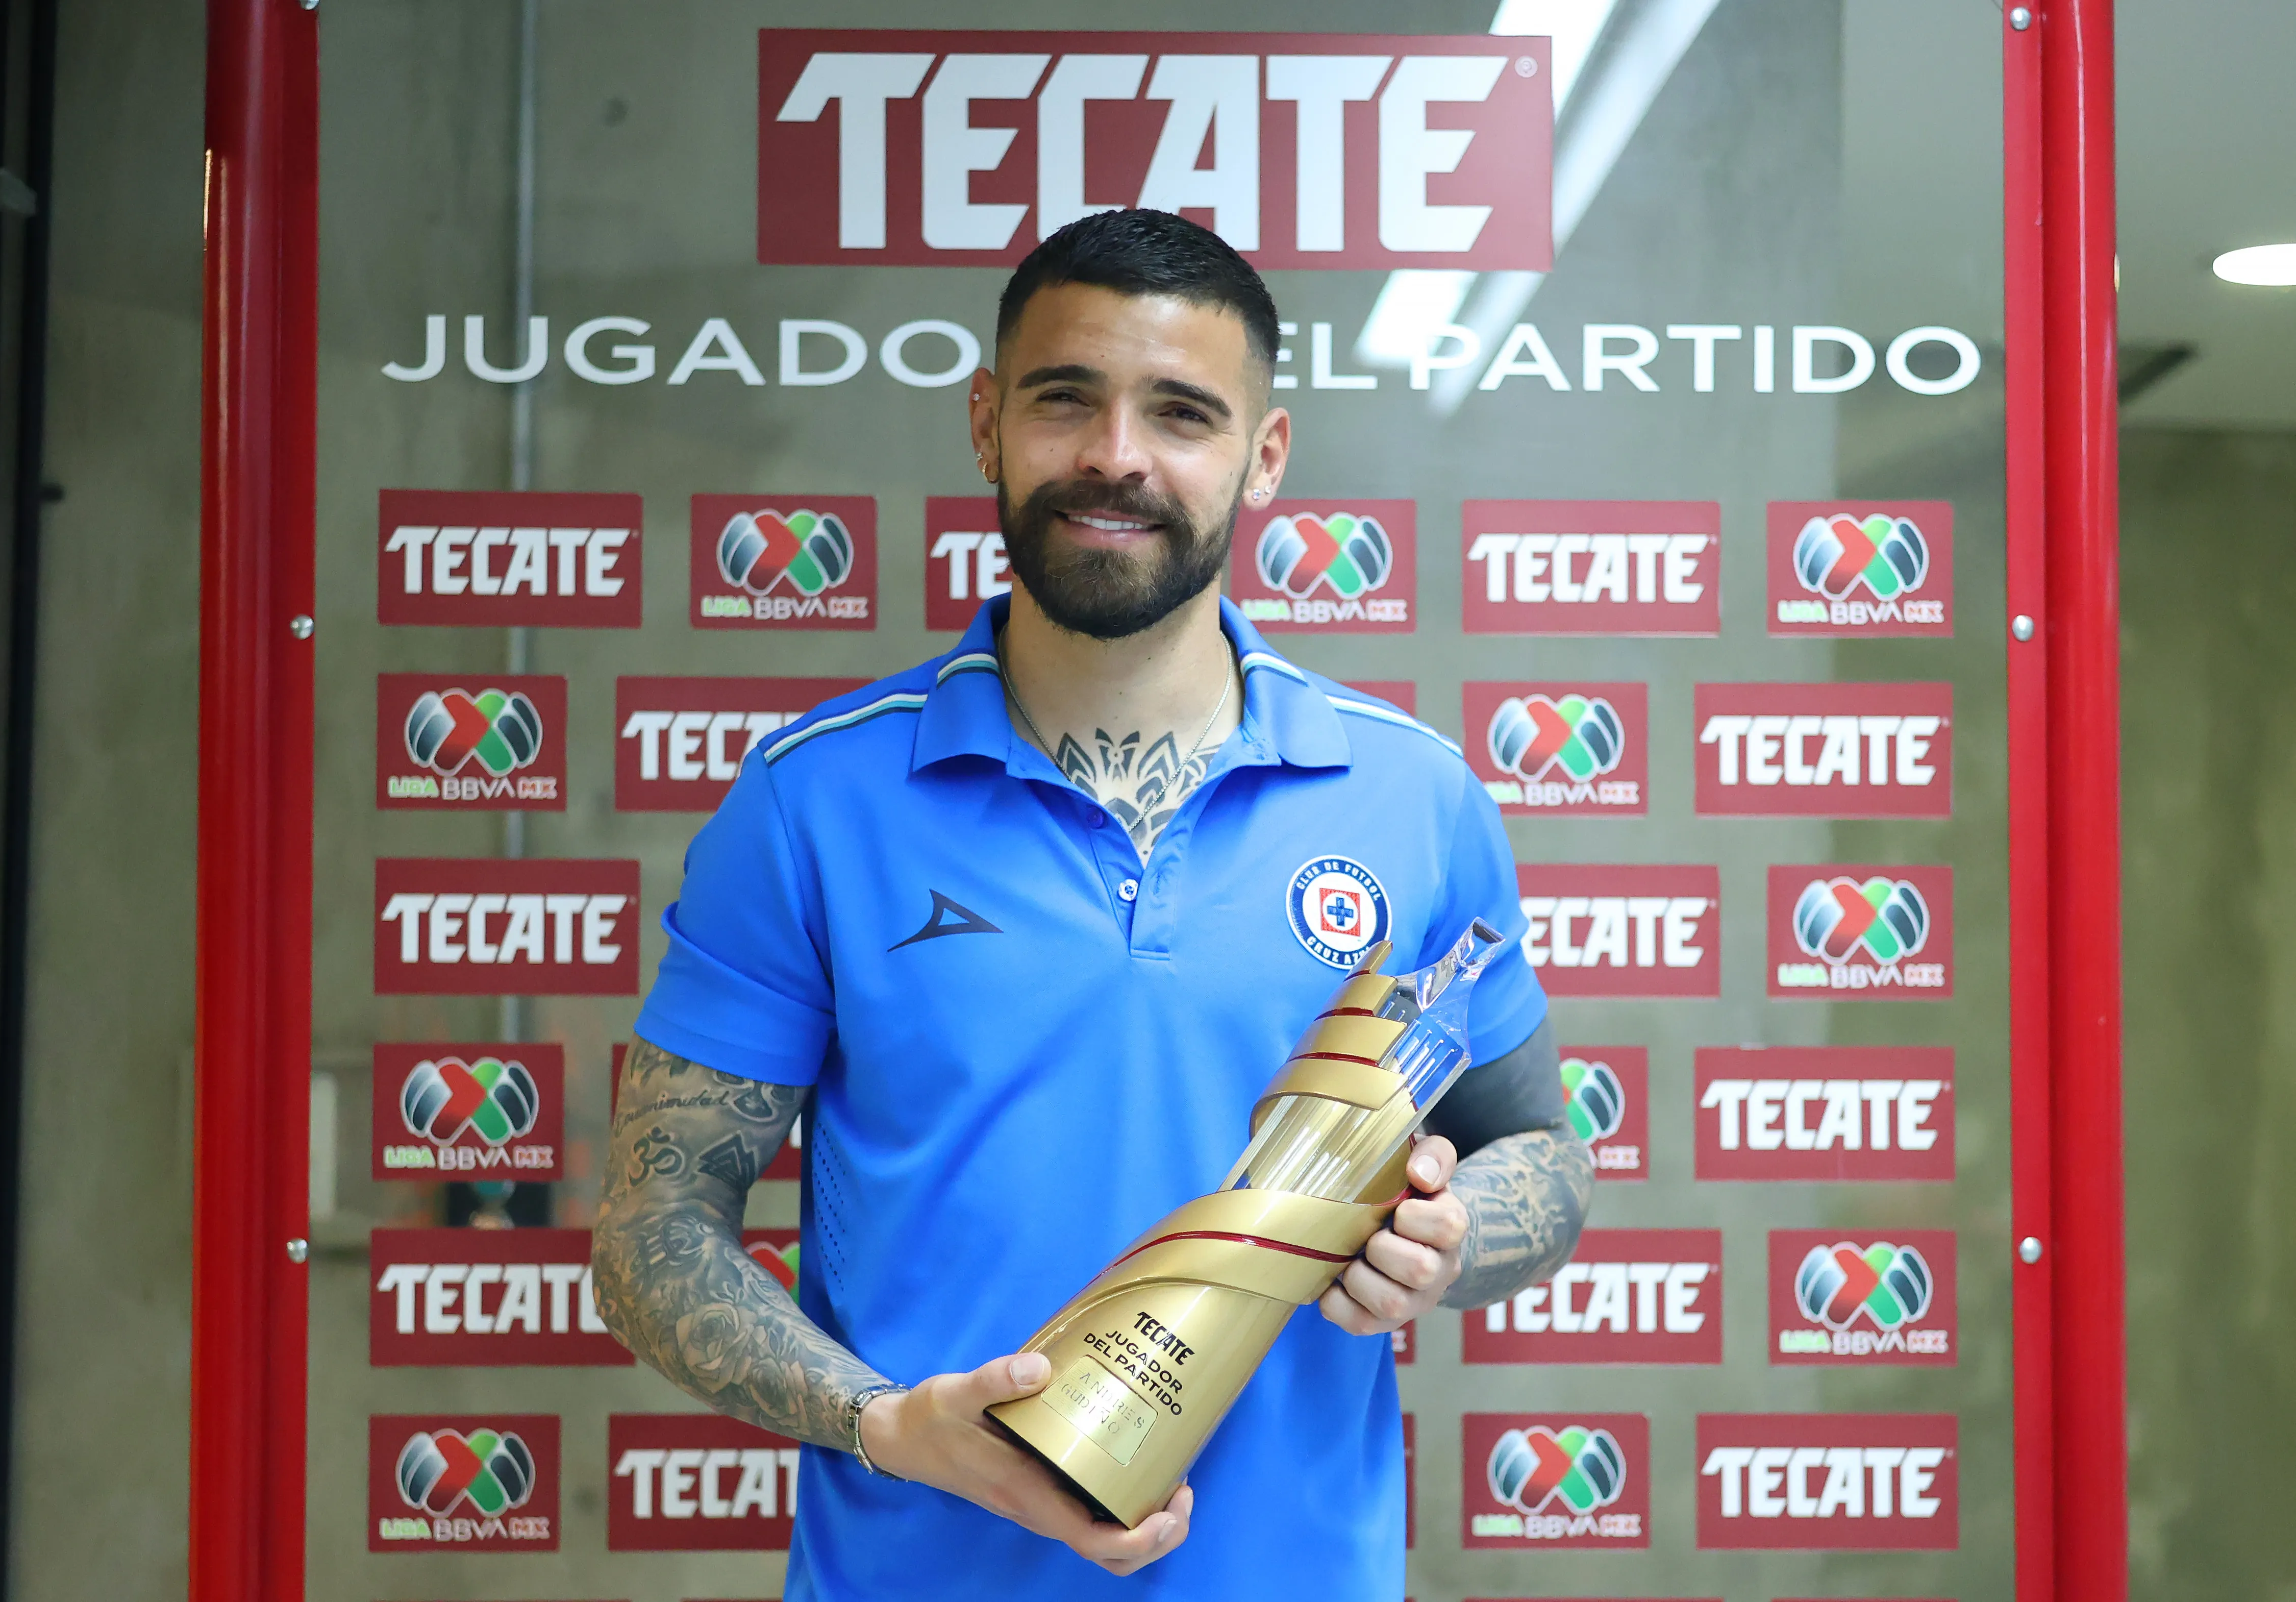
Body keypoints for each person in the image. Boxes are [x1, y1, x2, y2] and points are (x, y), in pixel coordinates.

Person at [592, 207, 1590, 1599]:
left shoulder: (1412, 799)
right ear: (988, 424)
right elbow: (653, 1233)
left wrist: (1456, 1235)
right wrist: (883, 1425)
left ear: (1264, 457)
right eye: (1068, 398)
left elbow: (1536, 1147)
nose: (1117, 454)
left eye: (1181, 412)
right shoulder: (811, 801)